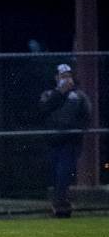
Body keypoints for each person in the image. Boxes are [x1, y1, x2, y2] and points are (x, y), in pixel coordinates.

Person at [38, 63, 92, 218]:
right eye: (62, 76)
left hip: (70, 141)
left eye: (68, 76)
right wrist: (60, 93)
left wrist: (75, 130)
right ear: (56, 78)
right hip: (53, 141)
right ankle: (60, 204)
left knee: (64, 173)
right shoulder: (49, 94)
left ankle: (61, 206)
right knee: (55, 174)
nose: (66, 79)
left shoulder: (79, 95)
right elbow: (44, 109)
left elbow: (86, 115)